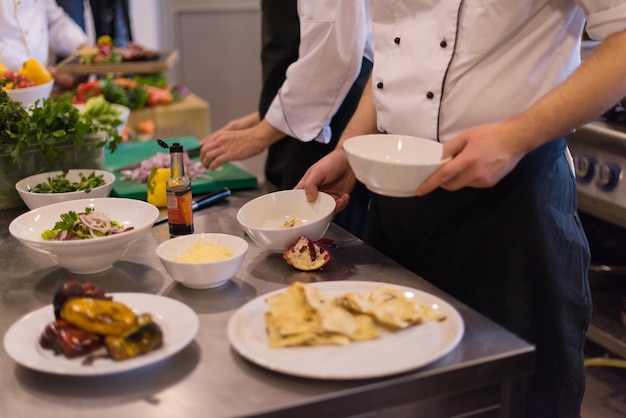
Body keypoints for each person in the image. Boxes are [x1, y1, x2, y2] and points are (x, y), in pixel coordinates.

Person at [296, 1, 626, 416]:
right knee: (397, 392)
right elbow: (398, 52)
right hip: (398, 205)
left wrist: (514, 137)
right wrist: (350, 148)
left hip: (514, 213)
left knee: (523, 398)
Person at [199, 0, 373, 238]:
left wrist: (261, 133)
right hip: (297, 120)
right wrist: (262, 117)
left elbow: (332, 54)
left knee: (324, 245)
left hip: (329, 128)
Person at [0, 0, 89, 88]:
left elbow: (54, 21)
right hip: (7, 83)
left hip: (41, 85)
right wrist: (42, 72)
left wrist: (83, 46)